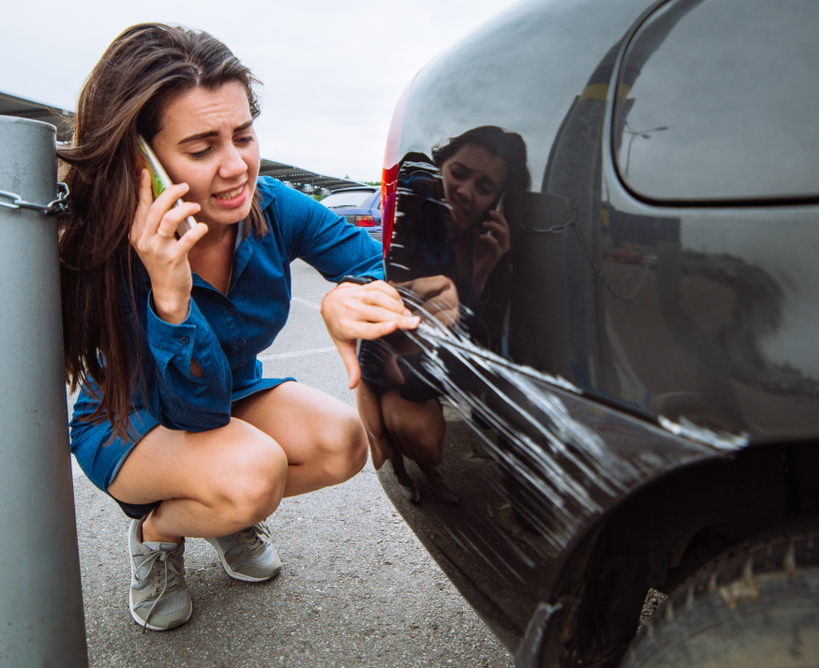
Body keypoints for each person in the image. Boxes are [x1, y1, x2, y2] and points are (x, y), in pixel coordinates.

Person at [58, 23, 419, 631]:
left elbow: (376, 264)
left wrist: (347, 295)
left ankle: (218, 509)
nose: (236, 168)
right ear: (141, 161)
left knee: (343, 442)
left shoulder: (274, 205)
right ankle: (156, 534)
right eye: (201, 149)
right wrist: (171, 300)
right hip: (130, 417)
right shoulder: (106, 249)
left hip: (229, 394)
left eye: (244, 136)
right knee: (249, 476)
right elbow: (192, 412)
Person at [357, 127, 530, 504]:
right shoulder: (414, 213)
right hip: (393, 361)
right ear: (441, 167)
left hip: (428, 365)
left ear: (497, 201)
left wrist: (482, 274)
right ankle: (402, 462)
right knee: (423, 436)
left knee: (435, 431)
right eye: (458, 173)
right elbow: (413, 330)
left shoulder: (490, 245)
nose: (466, 191)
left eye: (484, 187)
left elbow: (472, 342)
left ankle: (426, 466)